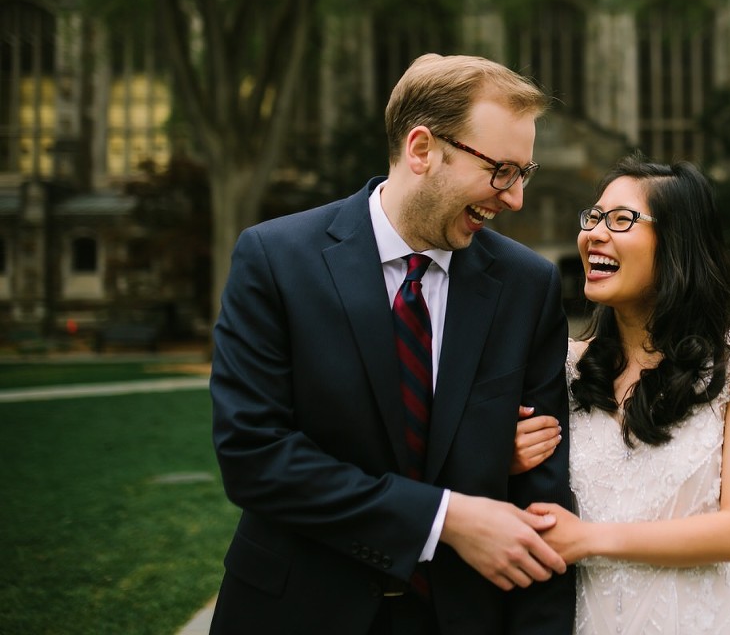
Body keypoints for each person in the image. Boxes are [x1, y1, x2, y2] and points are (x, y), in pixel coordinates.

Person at [209, 53, 576, 635]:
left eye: (523, 174)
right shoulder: (275, 260)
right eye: (502, 170)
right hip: (297, 610)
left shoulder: (527, 286)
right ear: (422, 149)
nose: (514, 198)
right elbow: (255, 458)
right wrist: (445, 515)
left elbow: (544, 500)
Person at [512, 154, 730, 634]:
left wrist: (589, 540)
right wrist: (510, 463)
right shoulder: (562, 365)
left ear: (678, 243)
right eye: (594, 217)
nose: (595, 233)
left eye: (622, 220)